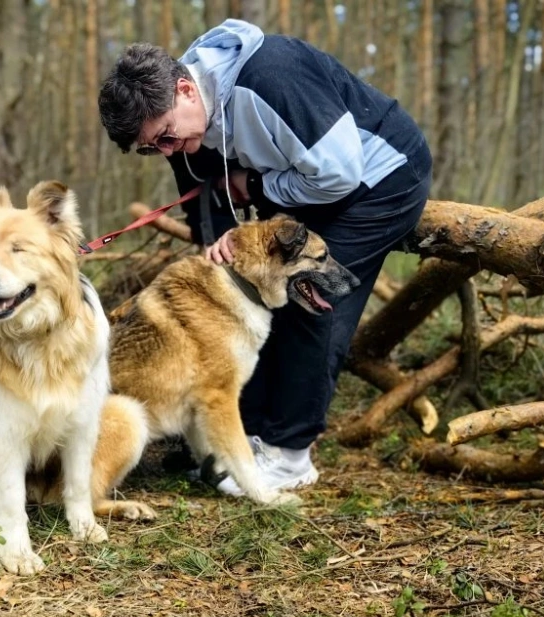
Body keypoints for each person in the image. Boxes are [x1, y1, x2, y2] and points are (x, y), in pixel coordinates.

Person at [97, 19, 432, 495]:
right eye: (152, 148)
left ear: (187, 90)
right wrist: (217, 244)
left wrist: (254, 187)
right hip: (308, 182)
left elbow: (339, 174)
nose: (166, 149)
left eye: (166, 137)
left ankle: (290, 453)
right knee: (245, 298)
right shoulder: (176, 124)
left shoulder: (272, 79)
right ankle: (245, 436)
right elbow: (204, 199)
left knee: (306, 295)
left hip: (379, 179)